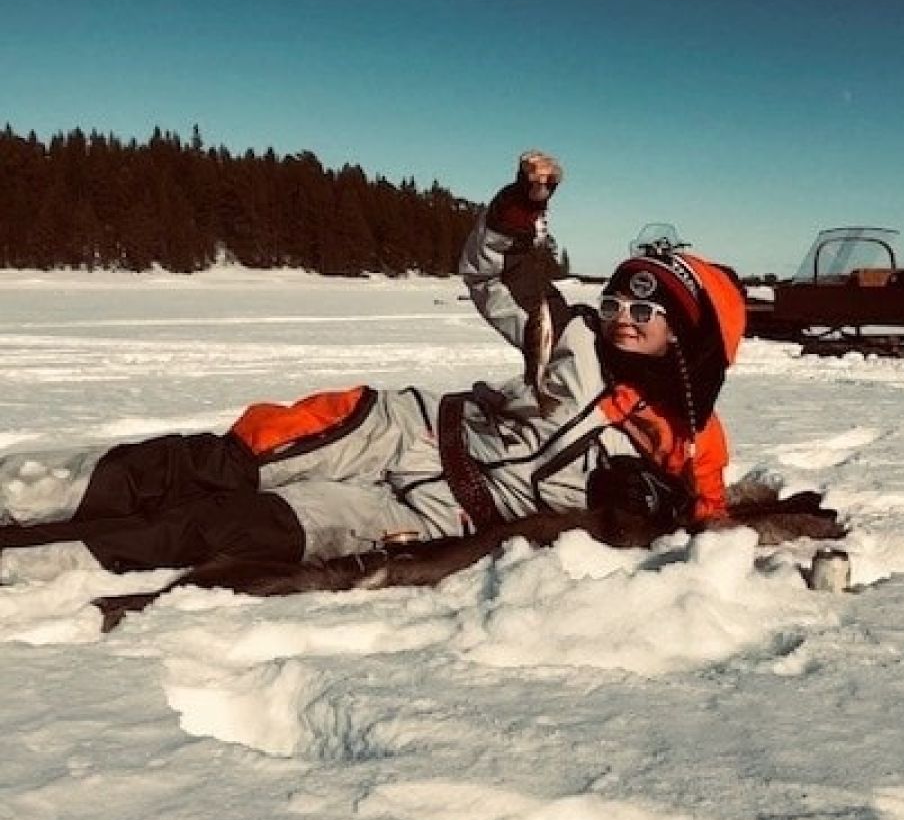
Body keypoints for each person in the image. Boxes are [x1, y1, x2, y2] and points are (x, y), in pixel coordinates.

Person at [0, 152, 746, 576]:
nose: (620, 315)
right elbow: (491, 276)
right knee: (222, 462)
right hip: (401, 431)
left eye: (644, 312)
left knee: (241, 528)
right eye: (618, 297)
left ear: (688, 338)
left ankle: (30, 570)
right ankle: (27, 495)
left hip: (425, 513)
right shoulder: (567, 330)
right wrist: (519, 211)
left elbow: (710, 520)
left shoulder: (690, 437)